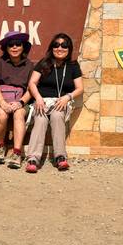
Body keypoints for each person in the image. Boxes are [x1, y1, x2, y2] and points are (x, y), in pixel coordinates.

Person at [26, 33, 84, 173]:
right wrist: (38, 98)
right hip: (42, 101)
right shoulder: (44, 63)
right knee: (40, 119)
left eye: (64, 45)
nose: (60, 48)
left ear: (69, 49)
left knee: (58, 116)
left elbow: (80, 88)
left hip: (61, 102)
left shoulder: (73, 66)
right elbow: (32, 83)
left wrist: (67, 97)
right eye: (56, 45)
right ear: (52, 48)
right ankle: (33, 158)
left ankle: (60, 157)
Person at [0, 31, 34, 169]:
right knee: (1, 115)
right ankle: (1, 147)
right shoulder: (0, 62)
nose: (14, 47)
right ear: (6, 48)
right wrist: (2, 103)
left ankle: (16, 152)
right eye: (10, 45)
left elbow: (32, 88)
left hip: (21, 100)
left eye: (18, 44)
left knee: (19, 114)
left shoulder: (29, 65)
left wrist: (20, 103)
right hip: (2, 99)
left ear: (23, 47)